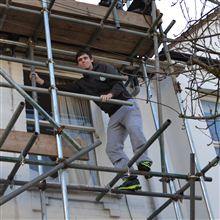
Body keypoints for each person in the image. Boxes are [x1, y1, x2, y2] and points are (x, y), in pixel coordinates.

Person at [32, 50, 152, 191]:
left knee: (134, 128)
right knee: (112, 149)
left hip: (126, 105)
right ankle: (130, 179)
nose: (83, 61)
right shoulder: (83, 83)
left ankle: (143, 161)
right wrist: (42, 82)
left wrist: (110, 94)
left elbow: (118, 83)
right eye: (80, 60)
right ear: (78, 65)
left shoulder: (104, 68)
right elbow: (64, 88)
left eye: (85, 58)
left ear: (91, 59)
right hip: (113, 114)